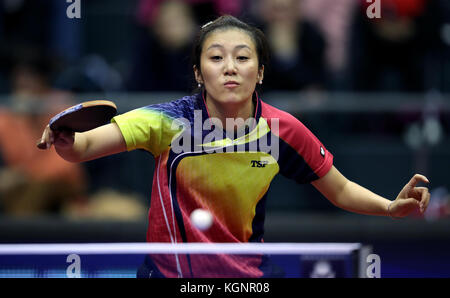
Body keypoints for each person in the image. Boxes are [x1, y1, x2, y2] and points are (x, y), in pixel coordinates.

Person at [39, 15, 430, 277]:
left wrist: (389, 208)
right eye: (216, 57)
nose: (230, 66)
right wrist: (65, 137)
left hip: (248, 278)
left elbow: (339, 187)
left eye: (243, 57)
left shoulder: (281, 130)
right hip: (170, 276)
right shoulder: (166, 120)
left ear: (259, 72)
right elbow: (85, 146)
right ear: (197, 72)